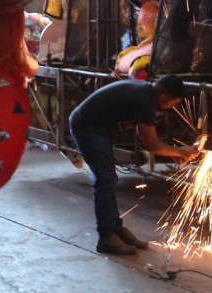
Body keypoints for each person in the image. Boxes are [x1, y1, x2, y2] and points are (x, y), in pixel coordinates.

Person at [68, 75, 200, 255]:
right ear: (163, 97)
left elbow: (144, 134)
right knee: (105, 180)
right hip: (87, 126)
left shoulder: (146, 93)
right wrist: (180, 151)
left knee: (109, 179)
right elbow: (152, 145)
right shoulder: (144, 101)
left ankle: (116, 229)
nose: (172, 108)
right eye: (172, 104)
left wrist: (174, 152)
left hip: (98, 126)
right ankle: (106, 237)